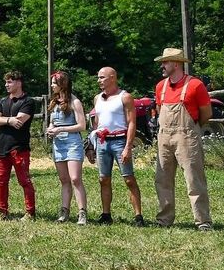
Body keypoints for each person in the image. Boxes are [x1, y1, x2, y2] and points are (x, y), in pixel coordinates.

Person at [151, 48, 213, 230]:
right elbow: (159, 108)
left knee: (194, 179)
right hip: (164, 136)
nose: (162, 66)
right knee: (162, 179)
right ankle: (164, 219)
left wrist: (191, 129)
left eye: (165, 62)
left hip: (187, 136)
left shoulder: (195, 85)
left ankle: (203, 221)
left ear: (176, 64)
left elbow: (206, 114)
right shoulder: (160, 86)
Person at [90, 66, 144, 226]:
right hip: (102, 142)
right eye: (98, 77)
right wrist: (91, 144)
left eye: (102, 77)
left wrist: (128, 146)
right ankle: (106, 214)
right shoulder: (97, 98)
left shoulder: (125, 97)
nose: (99, 80)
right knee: (103, 179)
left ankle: (138, 216)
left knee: (129, 179)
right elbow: (96, 122)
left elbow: (132, 122)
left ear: (113, 77)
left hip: (120, 141)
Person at [0, 71, 37, 220]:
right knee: (1, 181)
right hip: (2, 147)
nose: (6, 85)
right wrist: (9, 120)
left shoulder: (28, 101)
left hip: (19, 148)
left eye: (9, 82)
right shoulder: (2, 101)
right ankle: (2, 211)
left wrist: (5, 119)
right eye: (6, 82)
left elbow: (20, 120)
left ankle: (30, 212)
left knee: (24, 181)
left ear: (19, 82)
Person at [46, 70, 87, 226]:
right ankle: (64, 211)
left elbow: (82, 125)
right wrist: (51, 129)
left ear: (62, 84)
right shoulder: (54, 102)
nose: (52, 85)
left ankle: (82, 213)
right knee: (64, 179)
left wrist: (61, 129)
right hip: (58, 143)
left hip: (72, 143)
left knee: (75, 178)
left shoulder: (74, 102)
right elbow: (53, 122)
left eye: (55, 83)